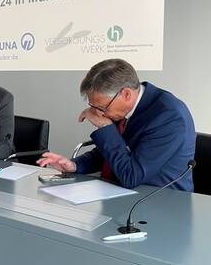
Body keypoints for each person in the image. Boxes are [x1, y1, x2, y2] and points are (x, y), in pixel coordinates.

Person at [37, 58, 196, 191]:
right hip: (117, 192)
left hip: (160, 201)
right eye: (94, 107)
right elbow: (111, 153)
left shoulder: (169, 117)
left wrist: (105, 127)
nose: (99, 114)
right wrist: (74, 165)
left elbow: (131, 176)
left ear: (126, 94)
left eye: (102, 108)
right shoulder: (124, 108)